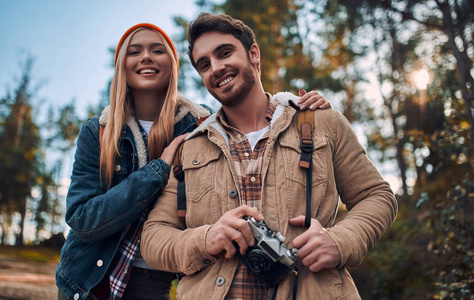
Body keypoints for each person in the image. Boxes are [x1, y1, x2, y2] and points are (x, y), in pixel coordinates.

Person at [55, 22, 330, 300]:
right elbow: (82, 219)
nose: (146, 57)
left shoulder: (199, 125)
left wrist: (293, 104)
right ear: (122, 65)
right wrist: (157, 171)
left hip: (154, 279)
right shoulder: (98, 131)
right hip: (87, 278)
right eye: (134, 51)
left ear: (173, 65)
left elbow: (247, 116)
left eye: (157, 50)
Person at [141, 13, 398, 300]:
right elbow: (153, 237)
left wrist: (341, 241)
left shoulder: (323, 123)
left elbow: (377, 195)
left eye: (224, 53)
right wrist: (206, 237)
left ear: (253, 54)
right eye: (204, 65)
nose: (216, 67)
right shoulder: (189, 149)